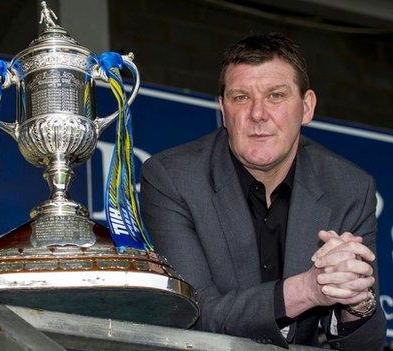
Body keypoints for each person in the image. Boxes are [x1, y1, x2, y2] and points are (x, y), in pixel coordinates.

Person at [140, 33, 386, 349]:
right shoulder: (172, 178)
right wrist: (308, 289)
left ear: (306, 107)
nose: (258, 114)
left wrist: (355, 302)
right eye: (241, 97)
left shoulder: (349, 187)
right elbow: (194, 316)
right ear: (223, 110)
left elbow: (367, 346)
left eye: (275, 96)